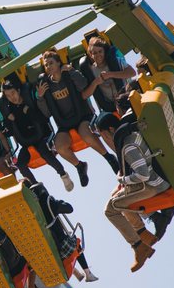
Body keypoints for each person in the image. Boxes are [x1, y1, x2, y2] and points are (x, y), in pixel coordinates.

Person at [95, 111, 167, 272]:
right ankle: (143, 236)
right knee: (117, 197)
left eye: (104, 135)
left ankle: (140, 247)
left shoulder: (127, 145)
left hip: (152, 184)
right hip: (153, 181)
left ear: (112, 130)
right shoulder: (132, 134)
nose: (105, 141)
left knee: (111, 209)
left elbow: (142, 174)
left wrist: (123, 180)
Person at [36, 50, 120, 187]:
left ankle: (109, 158)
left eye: (51, 63)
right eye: (46, 65)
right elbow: (46, 113)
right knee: (60, 147)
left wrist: (72, 71)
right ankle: (79, 166)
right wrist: (40, 97)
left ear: (58, 63)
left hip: (82, 116)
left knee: (86, 134)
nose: (49, 67)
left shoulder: (68, 74)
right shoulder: (46, 85)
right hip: (64, 123)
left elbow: (83, 85)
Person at [0, 79, 74, 192]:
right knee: (21, 164)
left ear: (18, 91)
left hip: (40, 135)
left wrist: (28, 111)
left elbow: (43, 119)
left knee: (44, 152)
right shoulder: (11, 109)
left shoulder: (29, 101)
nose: (12, 97)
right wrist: (8, 121)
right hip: (26, 140)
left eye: (13, 93)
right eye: (8, 96)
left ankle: (63, 174)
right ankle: (35, 186)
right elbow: (8, 132)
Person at [79, 36, 136, 113]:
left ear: (104, 51)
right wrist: (95, 82)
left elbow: (132, 72)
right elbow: (84, 95)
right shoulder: (91, 71)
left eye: (100, 51)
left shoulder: (116, 62)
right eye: (95, 53)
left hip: (127, 101)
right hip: (110, 109)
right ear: (91, 55)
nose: (98, 55)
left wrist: (110, 74)